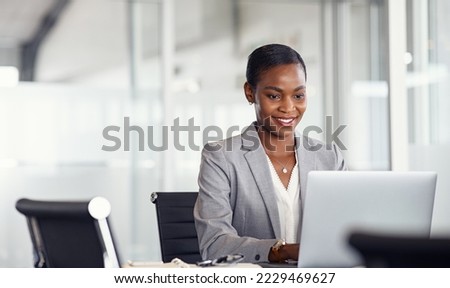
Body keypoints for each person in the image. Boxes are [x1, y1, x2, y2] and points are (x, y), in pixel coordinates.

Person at [193, 43, 347, 264]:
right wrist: (281, 251)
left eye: (299, 96)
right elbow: (215, 244)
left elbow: (347, 231)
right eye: (274, 96)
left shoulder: (329, 157)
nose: (288, 108)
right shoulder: (221, 158)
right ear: (250, 92)